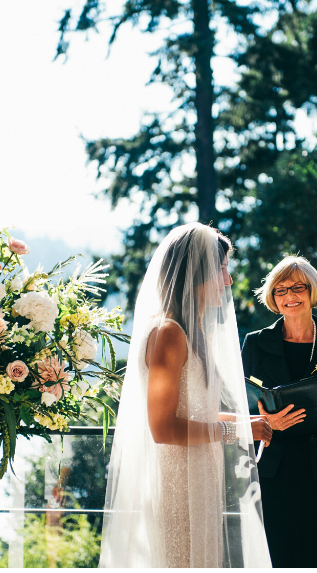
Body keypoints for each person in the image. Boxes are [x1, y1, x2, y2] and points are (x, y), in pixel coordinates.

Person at [99, 223, 273, 568]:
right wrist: (235, 431)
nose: (228, 280)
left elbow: (198, 412)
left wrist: (248, 423)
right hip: (176, 491)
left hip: (199, 485)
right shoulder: (168, 334)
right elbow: (163, 429)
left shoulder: (192, 332)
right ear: (199, 272)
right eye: (222, 269)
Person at [240, 256, 317, 568]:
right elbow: (240, 405)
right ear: (272, 297)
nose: (290, 296)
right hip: (275, 473)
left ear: (313, 291)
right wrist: (266, 422)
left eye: (297, 288)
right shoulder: (254, 344)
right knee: (279, 558)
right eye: (280, 290)